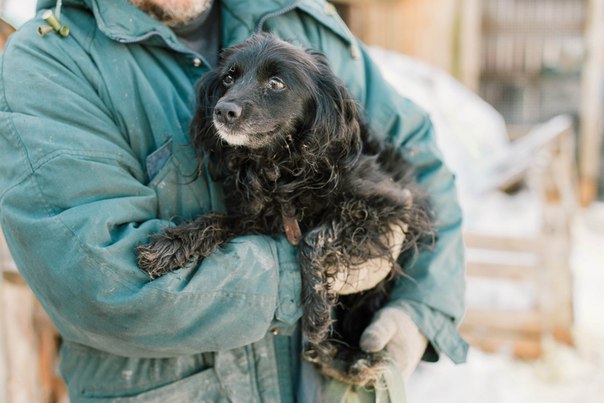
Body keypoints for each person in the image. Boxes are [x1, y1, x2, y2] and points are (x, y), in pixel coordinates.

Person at [0, 0, 468, 401]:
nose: (230, 101)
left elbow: (418, 159)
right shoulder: (52, 62)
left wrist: (419, 311)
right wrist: (305, 274)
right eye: (228, 84)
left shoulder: (294, 15)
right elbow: (99, 282)